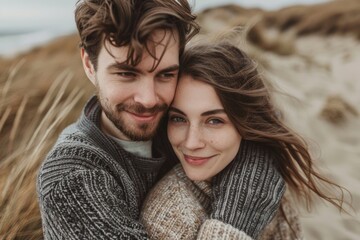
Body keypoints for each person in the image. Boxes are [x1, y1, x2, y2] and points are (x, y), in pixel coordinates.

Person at [37, 1, 285, 239]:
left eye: (165, 74)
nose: (148, 99)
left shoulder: (177, 120)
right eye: (126, 73)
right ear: (89, 65)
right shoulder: (70, 180)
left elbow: (257, 117)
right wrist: (235, 220)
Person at [140, 42, 347, 239]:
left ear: (246, 122)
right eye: (178, 118)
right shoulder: (169, 215)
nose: (191, 142)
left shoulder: (264, 174)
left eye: (214, 121)